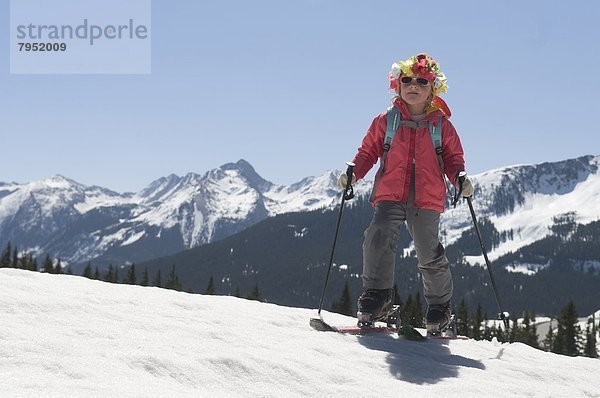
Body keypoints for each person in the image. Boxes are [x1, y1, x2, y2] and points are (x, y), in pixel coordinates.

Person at [337, 53, 473, 333]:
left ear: (433, 88)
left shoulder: (441, 125)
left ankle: (439, 306)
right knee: (379, 234)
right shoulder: (386, 121)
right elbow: (368, 151)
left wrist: (459, 178)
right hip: (390, 192)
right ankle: (378, 296)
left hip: (428, 196)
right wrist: (354, 171)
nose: (413, 85)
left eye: (422, 81)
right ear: (397, 86)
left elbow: (453, 159)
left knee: (428, 250)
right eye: (407, 80)